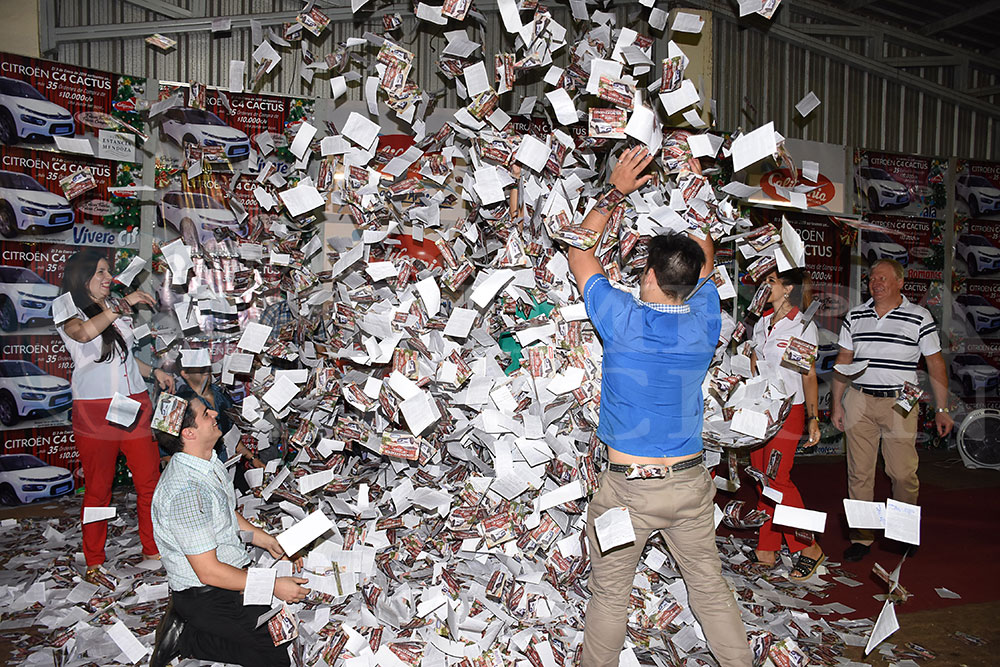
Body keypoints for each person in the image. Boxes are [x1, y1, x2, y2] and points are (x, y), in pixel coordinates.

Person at [573, 146, 752, 667]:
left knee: (610, 596)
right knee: (709, 587)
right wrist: (696, 190)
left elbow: (579, 253)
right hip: (691, 487)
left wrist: (616, 191)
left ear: (649, 275)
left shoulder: (623, 316)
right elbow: (706, 259)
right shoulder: (705, 319)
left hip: (628, 489)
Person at [149, 397, 310, 667]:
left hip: (233, 573)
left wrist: (267, 541)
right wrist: (272, 585)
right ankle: (188, 638)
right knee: (277, 656)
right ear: (189, 433)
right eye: (205, 414)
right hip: (208, 593)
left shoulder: (206, 460)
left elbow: (224, 512)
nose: (214, 413)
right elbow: (208, 571)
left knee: (289, 634)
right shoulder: (186, 492)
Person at [57, 249, 174, 583]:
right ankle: (94, 559)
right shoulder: (67, 307)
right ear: (82, 277)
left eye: (109, 272)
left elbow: (119, 358)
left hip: (131, 403)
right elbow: (84, 334)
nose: (109, 278)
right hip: (96, 409)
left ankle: (152, 549)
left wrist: (153, 373)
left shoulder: (114, 313)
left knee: (149, 480)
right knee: (98, 488)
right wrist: (121, 305)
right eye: (101, 272)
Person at [831, 259, 953, 562]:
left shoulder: (919, 317)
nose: (876, 282)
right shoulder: (855, 316)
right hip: (858, 398)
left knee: (901, 472)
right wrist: (837, 403)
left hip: (901, 402)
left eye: (883, 278)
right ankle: (862, 537)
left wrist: (942, 408)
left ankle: (903, 532)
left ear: (900, 283)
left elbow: (935, 363)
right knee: (859, 472)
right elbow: (844, 360)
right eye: (872, 278)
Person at [748, 268, 825, 579]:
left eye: (771, 282)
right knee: (761, 478)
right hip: (757, 410)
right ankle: (766, 548)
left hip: (787, 413)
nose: (764, 287)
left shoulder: (802, 326)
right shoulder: (762, 323)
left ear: (788, 288)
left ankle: (809, 547)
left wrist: (813, 418)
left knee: (779, 479)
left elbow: (808, 377)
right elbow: (754, 366)